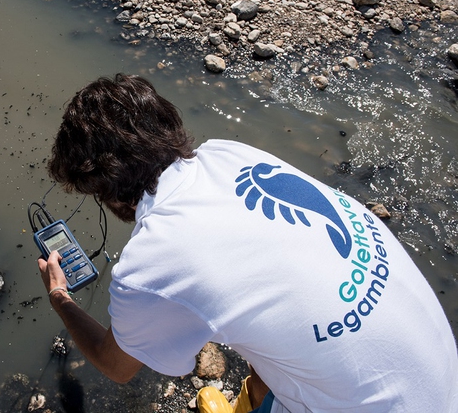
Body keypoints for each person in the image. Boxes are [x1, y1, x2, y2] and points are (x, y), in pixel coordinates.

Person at [37, 74, 458, 412]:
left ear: (107, 192)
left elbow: (117, 366)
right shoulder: (230, 154)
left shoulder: (149, 263)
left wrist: (60, 296)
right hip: (442, 377)